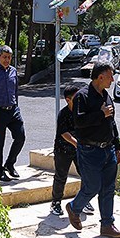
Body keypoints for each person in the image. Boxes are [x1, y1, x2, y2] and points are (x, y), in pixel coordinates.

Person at [64, 62, 120, 238]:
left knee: (108, 188)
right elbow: (79, 122)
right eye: (110, 76)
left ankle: (107, 225)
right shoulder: (82, 97)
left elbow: (111, 123)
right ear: (100, 77)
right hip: (90, 151)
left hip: (108, 149)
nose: (112, 80)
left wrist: (117, 146)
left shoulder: (106, 95)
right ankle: (74, 207)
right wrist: (100, 114)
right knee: (92, 187)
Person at [50, 84, 94, 216]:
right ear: (68, 100)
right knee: (61, 176)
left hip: (79, 150)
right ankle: (56, 203)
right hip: (63, 149)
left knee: (85, 174)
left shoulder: (82, 111)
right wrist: (77, 144)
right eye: (77, 97)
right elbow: (64, 133)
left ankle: (83, 200)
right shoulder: (63, 114)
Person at [0, 45, 26, 182]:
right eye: (4, 57)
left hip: (13, 110)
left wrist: (17, 107)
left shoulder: (13, 71)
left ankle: (10, 163)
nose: (7, 60)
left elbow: (15, 91)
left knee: (20, 137)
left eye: (9, 57)